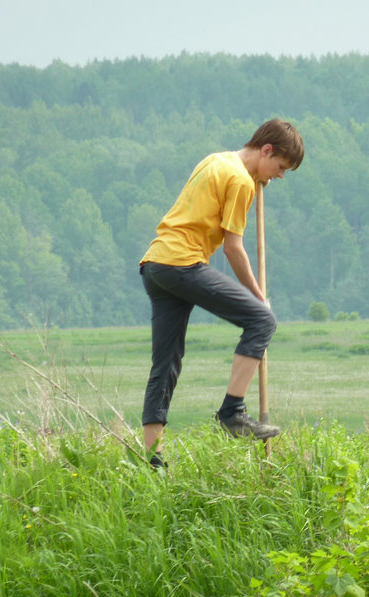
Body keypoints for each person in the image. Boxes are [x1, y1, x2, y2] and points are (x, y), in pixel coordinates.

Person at [138, 119, 304, 468]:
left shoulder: (216, 160)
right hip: (182, 264)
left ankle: (153, 461)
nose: (279, 176)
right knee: (262, 320)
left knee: (165, 364)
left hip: (156, 265)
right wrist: (259, 296)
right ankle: (233, 412)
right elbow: (233, 248)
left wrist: (262, 176)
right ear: (267, 150)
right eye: (280, 168)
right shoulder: (241, 180)